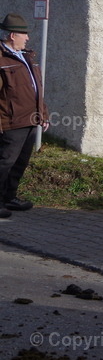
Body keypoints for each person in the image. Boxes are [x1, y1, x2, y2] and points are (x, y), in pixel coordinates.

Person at [0, 14, 49, 219]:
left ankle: (9, 197)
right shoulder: (2, 59)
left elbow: (36, 88)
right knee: (4, 162)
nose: (27, 38)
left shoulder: (26, 56)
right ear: (13, 35)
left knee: (20, 161)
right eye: (24, 34)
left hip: (30, 118)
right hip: (11, 121)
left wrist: (43, 114)